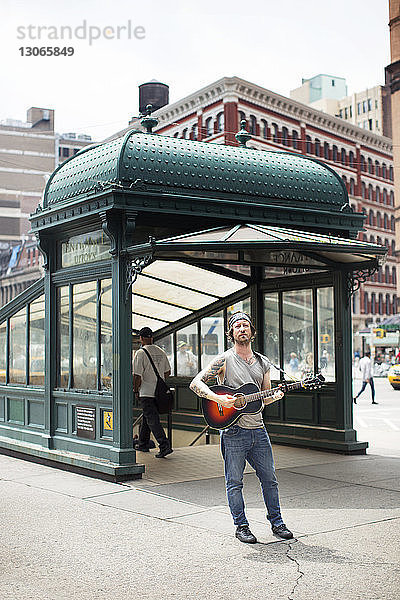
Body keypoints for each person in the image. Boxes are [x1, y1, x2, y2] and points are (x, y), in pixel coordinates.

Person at [190, 311, 293, 544]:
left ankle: (277, 523)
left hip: (259, 430)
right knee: (234, 482)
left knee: (270, 479)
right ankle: (242, 526)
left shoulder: (263, 362)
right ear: (231, 333)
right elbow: (195, 383)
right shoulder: (224, 360)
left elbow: (262, 398)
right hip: (233, 431)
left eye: (246, 325)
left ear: (252, 332)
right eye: (237, 326)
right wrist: (219, 400)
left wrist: (274, 397)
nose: (242, 329)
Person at [133, 327, 173, 458]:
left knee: (152, 420)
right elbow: (168, 372)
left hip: (146, 392)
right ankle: (143, 443)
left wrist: (136, 390)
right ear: (152, 337)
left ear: (141, 338)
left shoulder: (140, 353)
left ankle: (164, 445)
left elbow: (137, 375)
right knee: (148, 417)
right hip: (159, 393)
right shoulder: (161, 352)